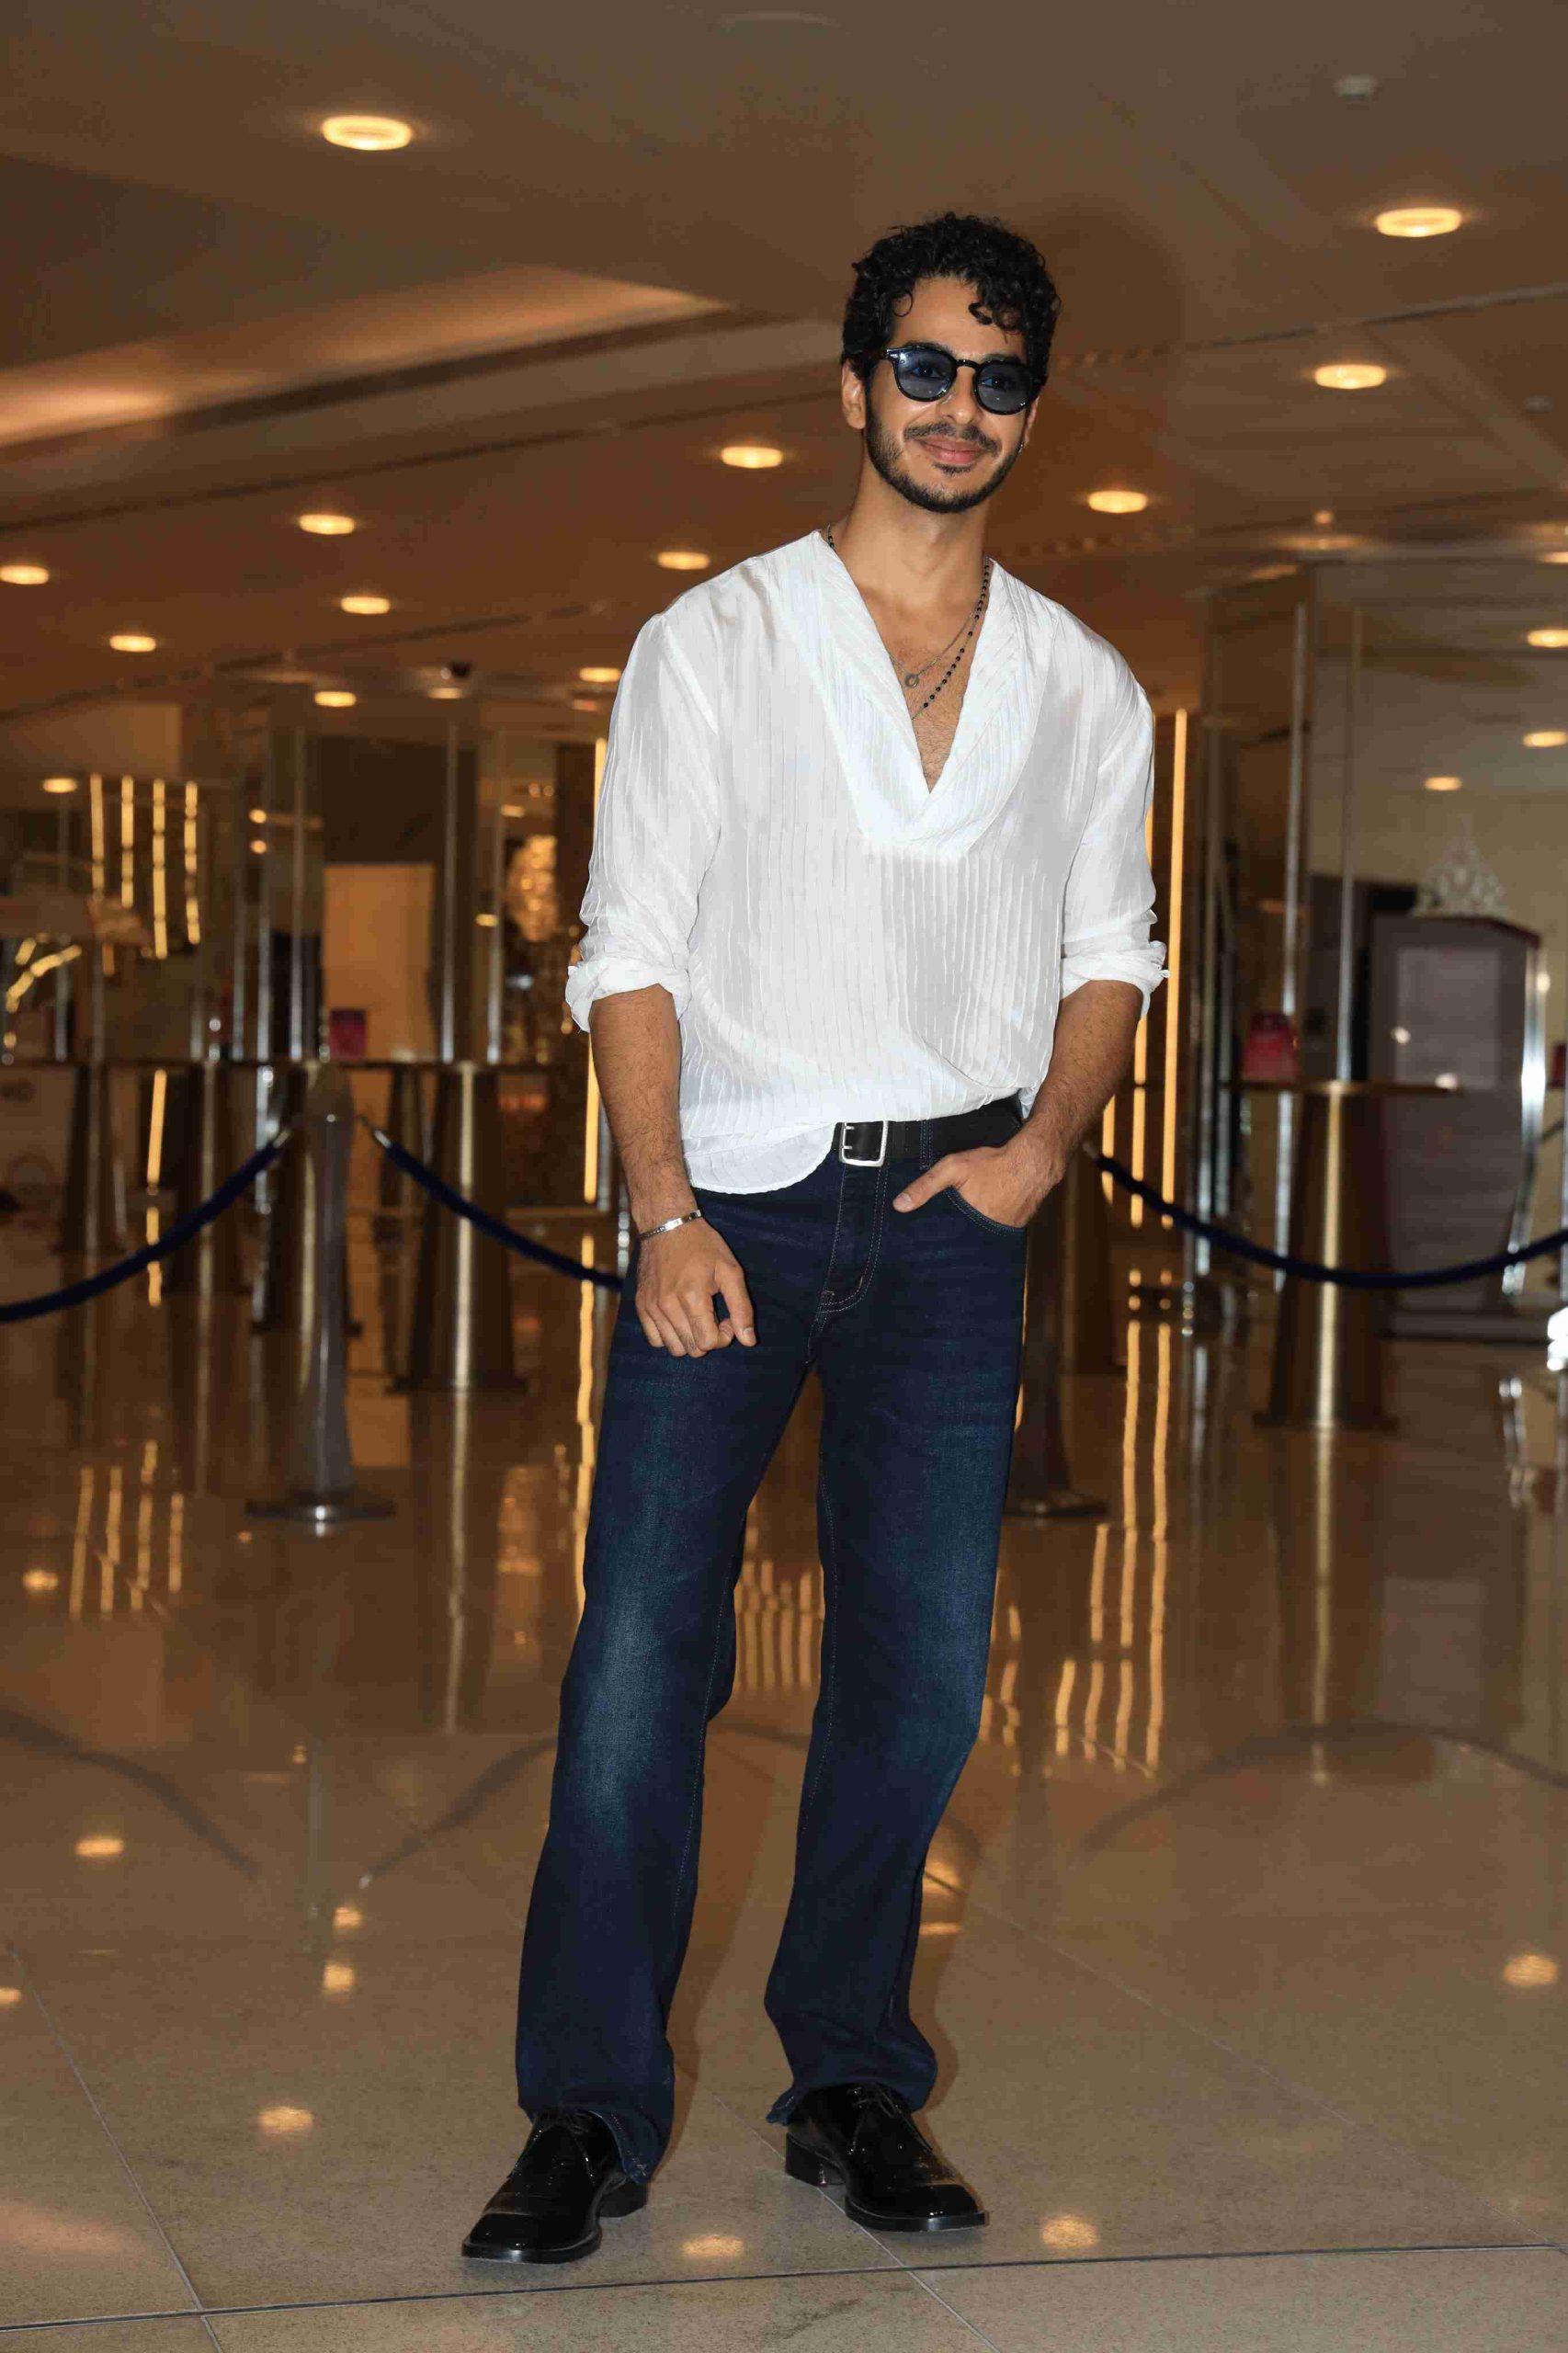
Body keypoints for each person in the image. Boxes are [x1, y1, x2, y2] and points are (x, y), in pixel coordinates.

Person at [463, 210, 1165, 2265]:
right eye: (924, 367)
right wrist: (663, 1205)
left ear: (1029, 407)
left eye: (998, 379)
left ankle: (850, 2074)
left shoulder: (1081, 683)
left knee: (919, 1675)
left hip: (951, 1216)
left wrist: (1042, 1146)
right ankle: (587, 2109)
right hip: (735, 1203)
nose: (960, 408)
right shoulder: (720, 640)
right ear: (855, 383)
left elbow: (1110, 951)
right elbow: (630, 947)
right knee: (638, 1667)